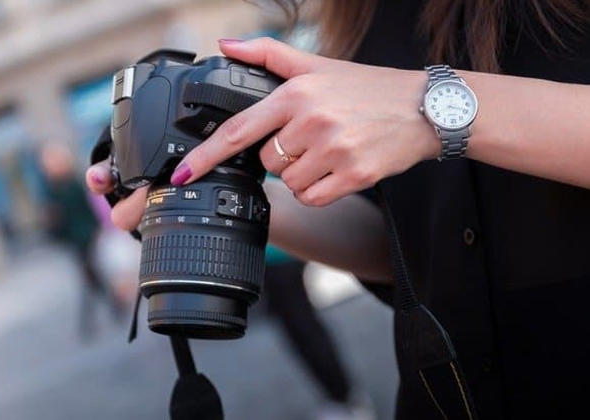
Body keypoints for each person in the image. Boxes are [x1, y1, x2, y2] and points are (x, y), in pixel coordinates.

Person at [87, 1, 590, 418]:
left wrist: (431, 110)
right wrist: (232, 193)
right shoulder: (359, 14)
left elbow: (418, 117)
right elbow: (405, 241)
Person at [263, 245, 374, 420]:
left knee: (301, 326)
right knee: (300, 323)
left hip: (275, 252)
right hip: (278, 250)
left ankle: (343, 398)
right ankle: (343, 397)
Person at [40, 143, 121, 340]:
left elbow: (89, 207)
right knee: (91, 277)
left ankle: (91, 320)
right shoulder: (50, 189)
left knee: (89, 277)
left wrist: (99, 228)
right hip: (74, 240)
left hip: (88, 235)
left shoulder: (75, 182)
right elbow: (52, 219)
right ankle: (113, 306)